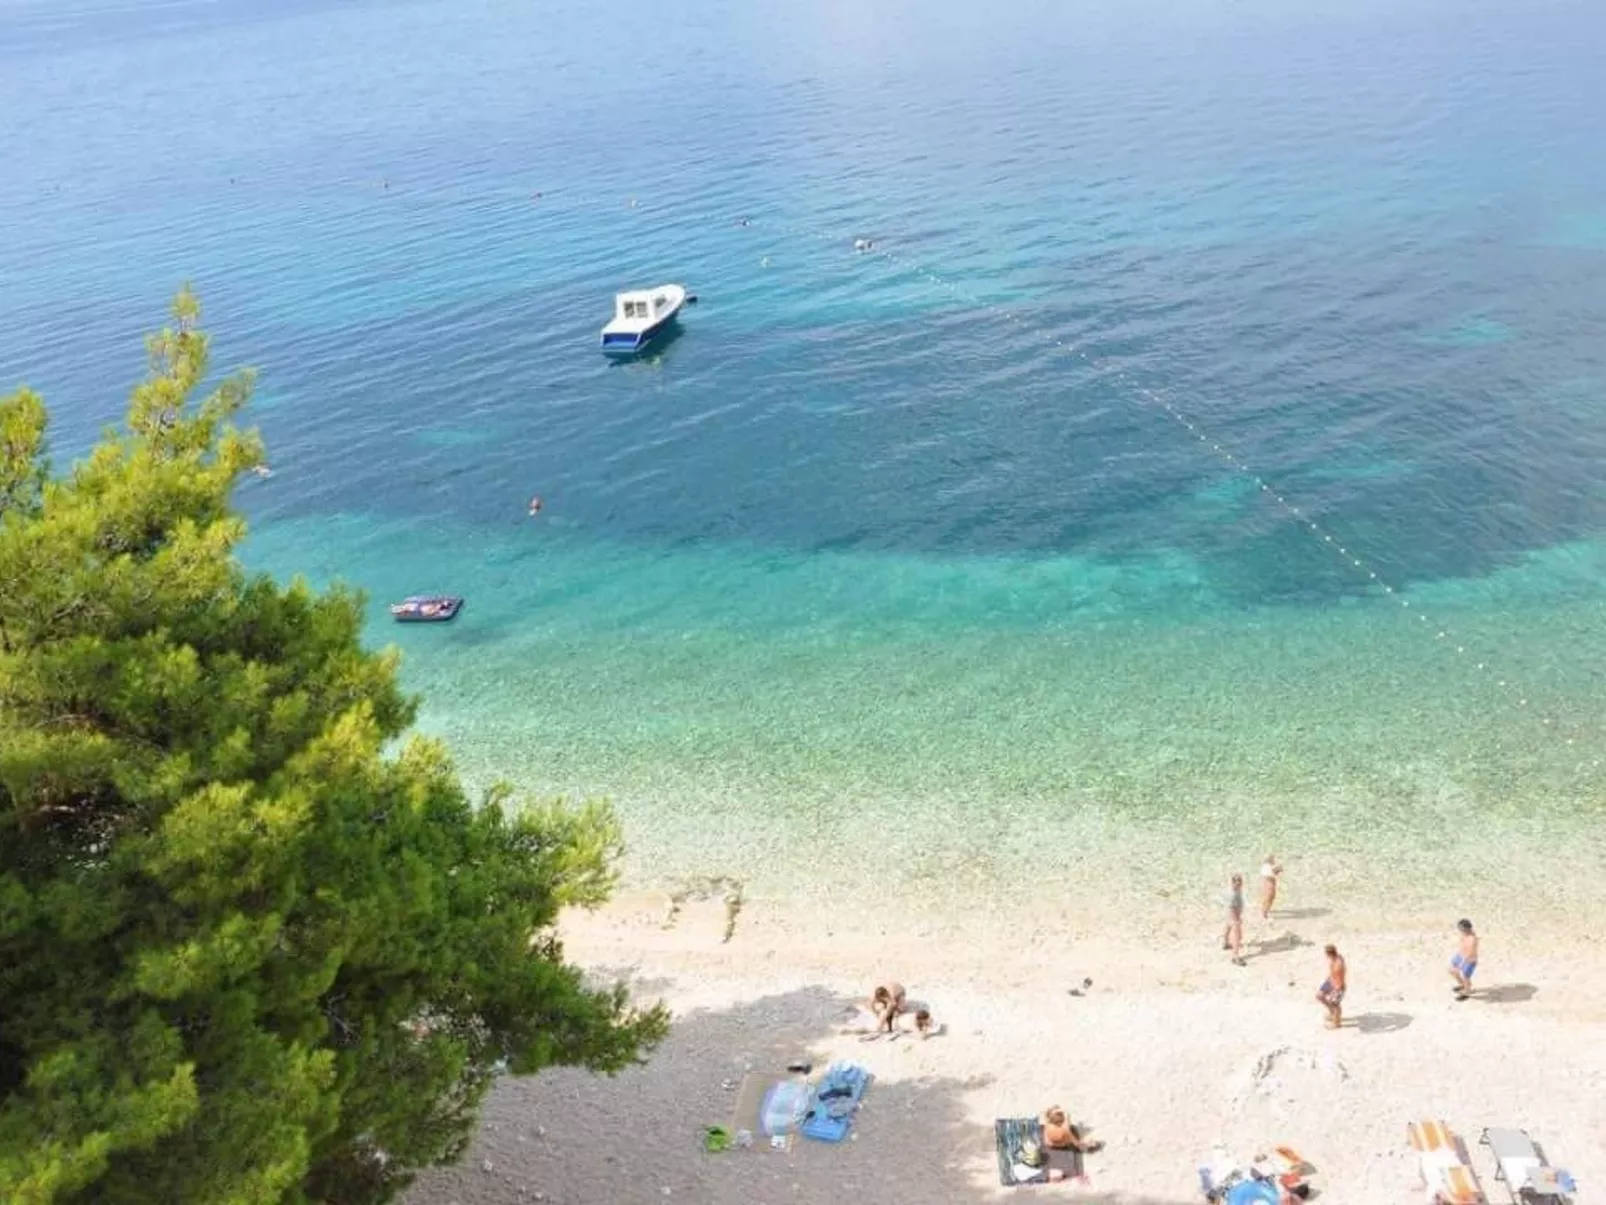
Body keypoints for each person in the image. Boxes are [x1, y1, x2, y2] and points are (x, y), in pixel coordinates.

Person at [1317, 944, 1346, 1029]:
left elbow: (1340, 977)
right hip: (1330, 981)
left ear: (1329, 953)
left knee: (1335, 1003)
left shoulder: (1339, 964)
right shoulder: (1334, 958)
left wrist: (1336, 990)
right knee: (1319, 996)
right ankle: (1332, 1013)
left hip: (1338, 985)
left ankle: (1337, 1023)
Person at [1449, 918, 1478, 1000]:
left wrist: (1461, 964)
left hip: (1469, 960)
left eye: (1461, 929)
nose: (1460, 930)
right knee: (1451, 970)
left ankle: (1467, 991)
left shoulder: (1472, 939)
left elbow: (1469, 953)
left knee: (1465, 976)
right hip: (1460, 956)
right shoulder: (1464, 935)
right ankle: (1463, 985)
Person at [1222, 874, 1246, 966]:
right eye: (1236, 882)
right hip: (1233, 914)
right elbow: (1233, 909)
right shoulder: (1233, 895)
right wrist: (1237, 919)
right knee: (1237, 935)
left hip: (1228, 913)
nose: (1238, 883)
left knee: (1228, 926)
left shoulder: (1232, 890)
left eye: (1240, 881)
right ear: (1232, 882)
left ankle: (1225, 943)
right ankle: (1235, 956)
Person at [1259, 854, 1283, 920]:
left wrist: (1278, 869)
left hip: (1270, 882)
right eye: (1272, 859)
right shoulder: (1267, 867)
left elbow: (1275, 873)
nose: (1274, 860)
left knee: (1270, 896)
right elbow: (1271, 874)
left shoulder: (1268, 866)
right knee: (1268, 897)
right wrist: (1277, 870)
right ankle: (1264, 912)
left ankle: (1266, 910)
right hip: (1269, 882)